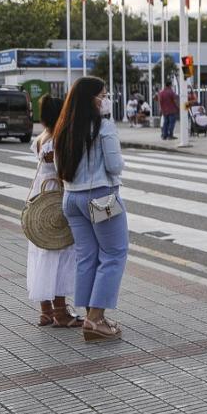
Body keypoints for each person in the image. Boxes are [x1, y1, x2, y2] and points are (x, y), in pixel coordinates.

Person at [54, 76, 127, 342]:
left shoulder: (63, 127)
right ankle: (95, 319)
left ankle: (90, 317)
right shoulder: (103, 126)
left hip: (71, 199)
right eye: (103, 95)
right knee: (114, 254)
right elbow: (114, 166)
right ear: (91, 99)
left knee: (87, 257)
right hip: (101, 198)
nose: (105, 99)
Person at [26, 95, 82, 328]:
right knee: (60, 256)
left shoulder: (41, 138)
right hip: (56, 202)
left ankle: (45, 311)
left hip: (40, 203)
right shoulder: (59, 139)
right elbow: (64, 171)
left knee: (41, 256)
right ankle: (60, 313)